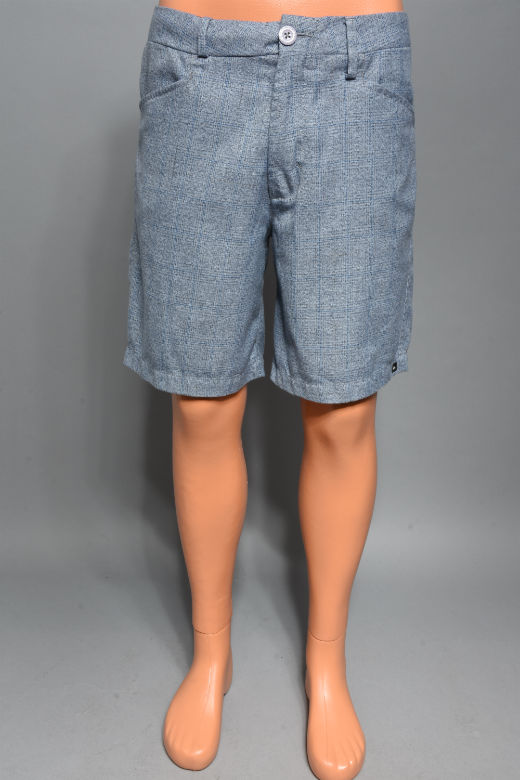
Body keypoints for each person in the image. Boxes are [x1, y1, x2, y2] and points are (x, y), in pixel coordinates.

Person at [123, 0, 416, 777]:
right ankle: (210, 655)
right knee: (201, 400)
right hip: (199, 70)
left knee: (343, 407)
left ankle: (326, 664)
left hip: (355, 75)